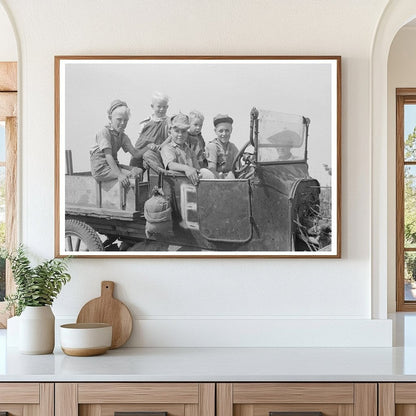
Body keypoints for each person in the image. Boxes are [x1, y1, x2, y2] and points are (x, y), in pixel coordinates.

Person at [90, 99, 145, 188]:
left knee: (138, 171)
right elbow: (108, 156)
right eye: (119, 119)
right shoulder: (104, 132)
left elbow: (136, 154)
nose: (123, 123)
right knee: (131, 175)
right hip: (101, 169)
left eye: (126, 120)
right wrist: (119, 175)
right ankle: (128, 200)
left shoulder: (123, 136)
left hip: (113, 166)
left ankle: (136, 197)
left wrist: (149, 146)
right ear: (110, 118)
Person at [161, 113, 214, 185]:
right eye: (177, 131)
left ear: (187, 133)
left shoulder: (190, 151)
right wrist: (187, 168)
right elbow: (171, 165)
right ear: (170, 131)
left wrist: (198, 172)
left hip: (191, 184)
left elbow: (197, 168)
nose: (180, 135)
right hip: (177, 183)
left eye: (183, 131)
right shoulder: (168, 148)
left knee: (206, 173)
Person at [130, 91, 171, 168]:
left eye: (164, 107)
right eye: (159, 106)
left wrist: (160, 146)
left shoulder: (169, 122)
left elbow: (171, 137)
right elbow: (140, 142)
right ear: (152, 106)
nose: (161, 109)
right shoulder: (146, 122)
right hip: (143, 150)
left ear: (167, 107)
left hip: (159, 152)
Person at [205, 114, 239, 179]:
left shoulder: (233, 147)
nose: (224, 134)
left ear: (231, 130)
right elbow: (212, 170)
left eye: (227, 130)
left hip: (231, 179)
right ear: (215, 131)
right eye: (221, 131)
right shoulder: (212, 146)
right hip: (217, 181)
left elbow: (239, 167)